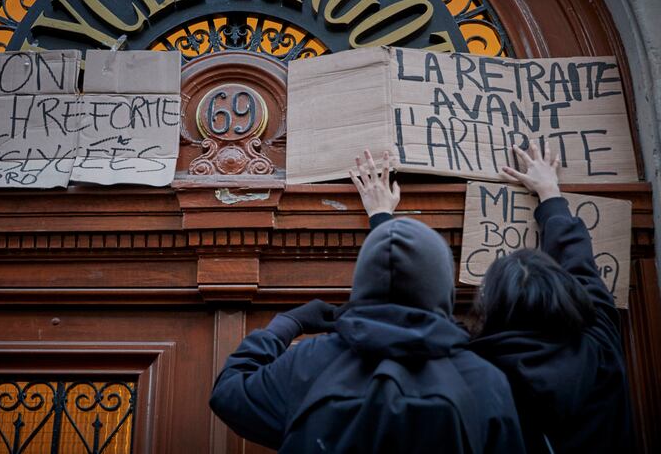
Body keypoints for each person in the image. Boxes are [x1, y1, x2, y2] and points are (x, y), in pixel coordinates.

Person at [210, 171, 526, 452]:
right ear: (443, 286)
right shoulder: (483, 380)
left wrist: (287, 323)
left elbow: (229, 394)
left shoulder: (311, 362)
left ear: (361, 283)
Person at [352, 145, 633, 453]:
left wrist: (383, 220)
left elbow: (411, 304)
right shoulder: (600, 341)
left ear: (489, 309)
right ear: (568, 296)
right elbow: (580, 265)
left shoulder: (471, 365)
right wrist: (550, 192)